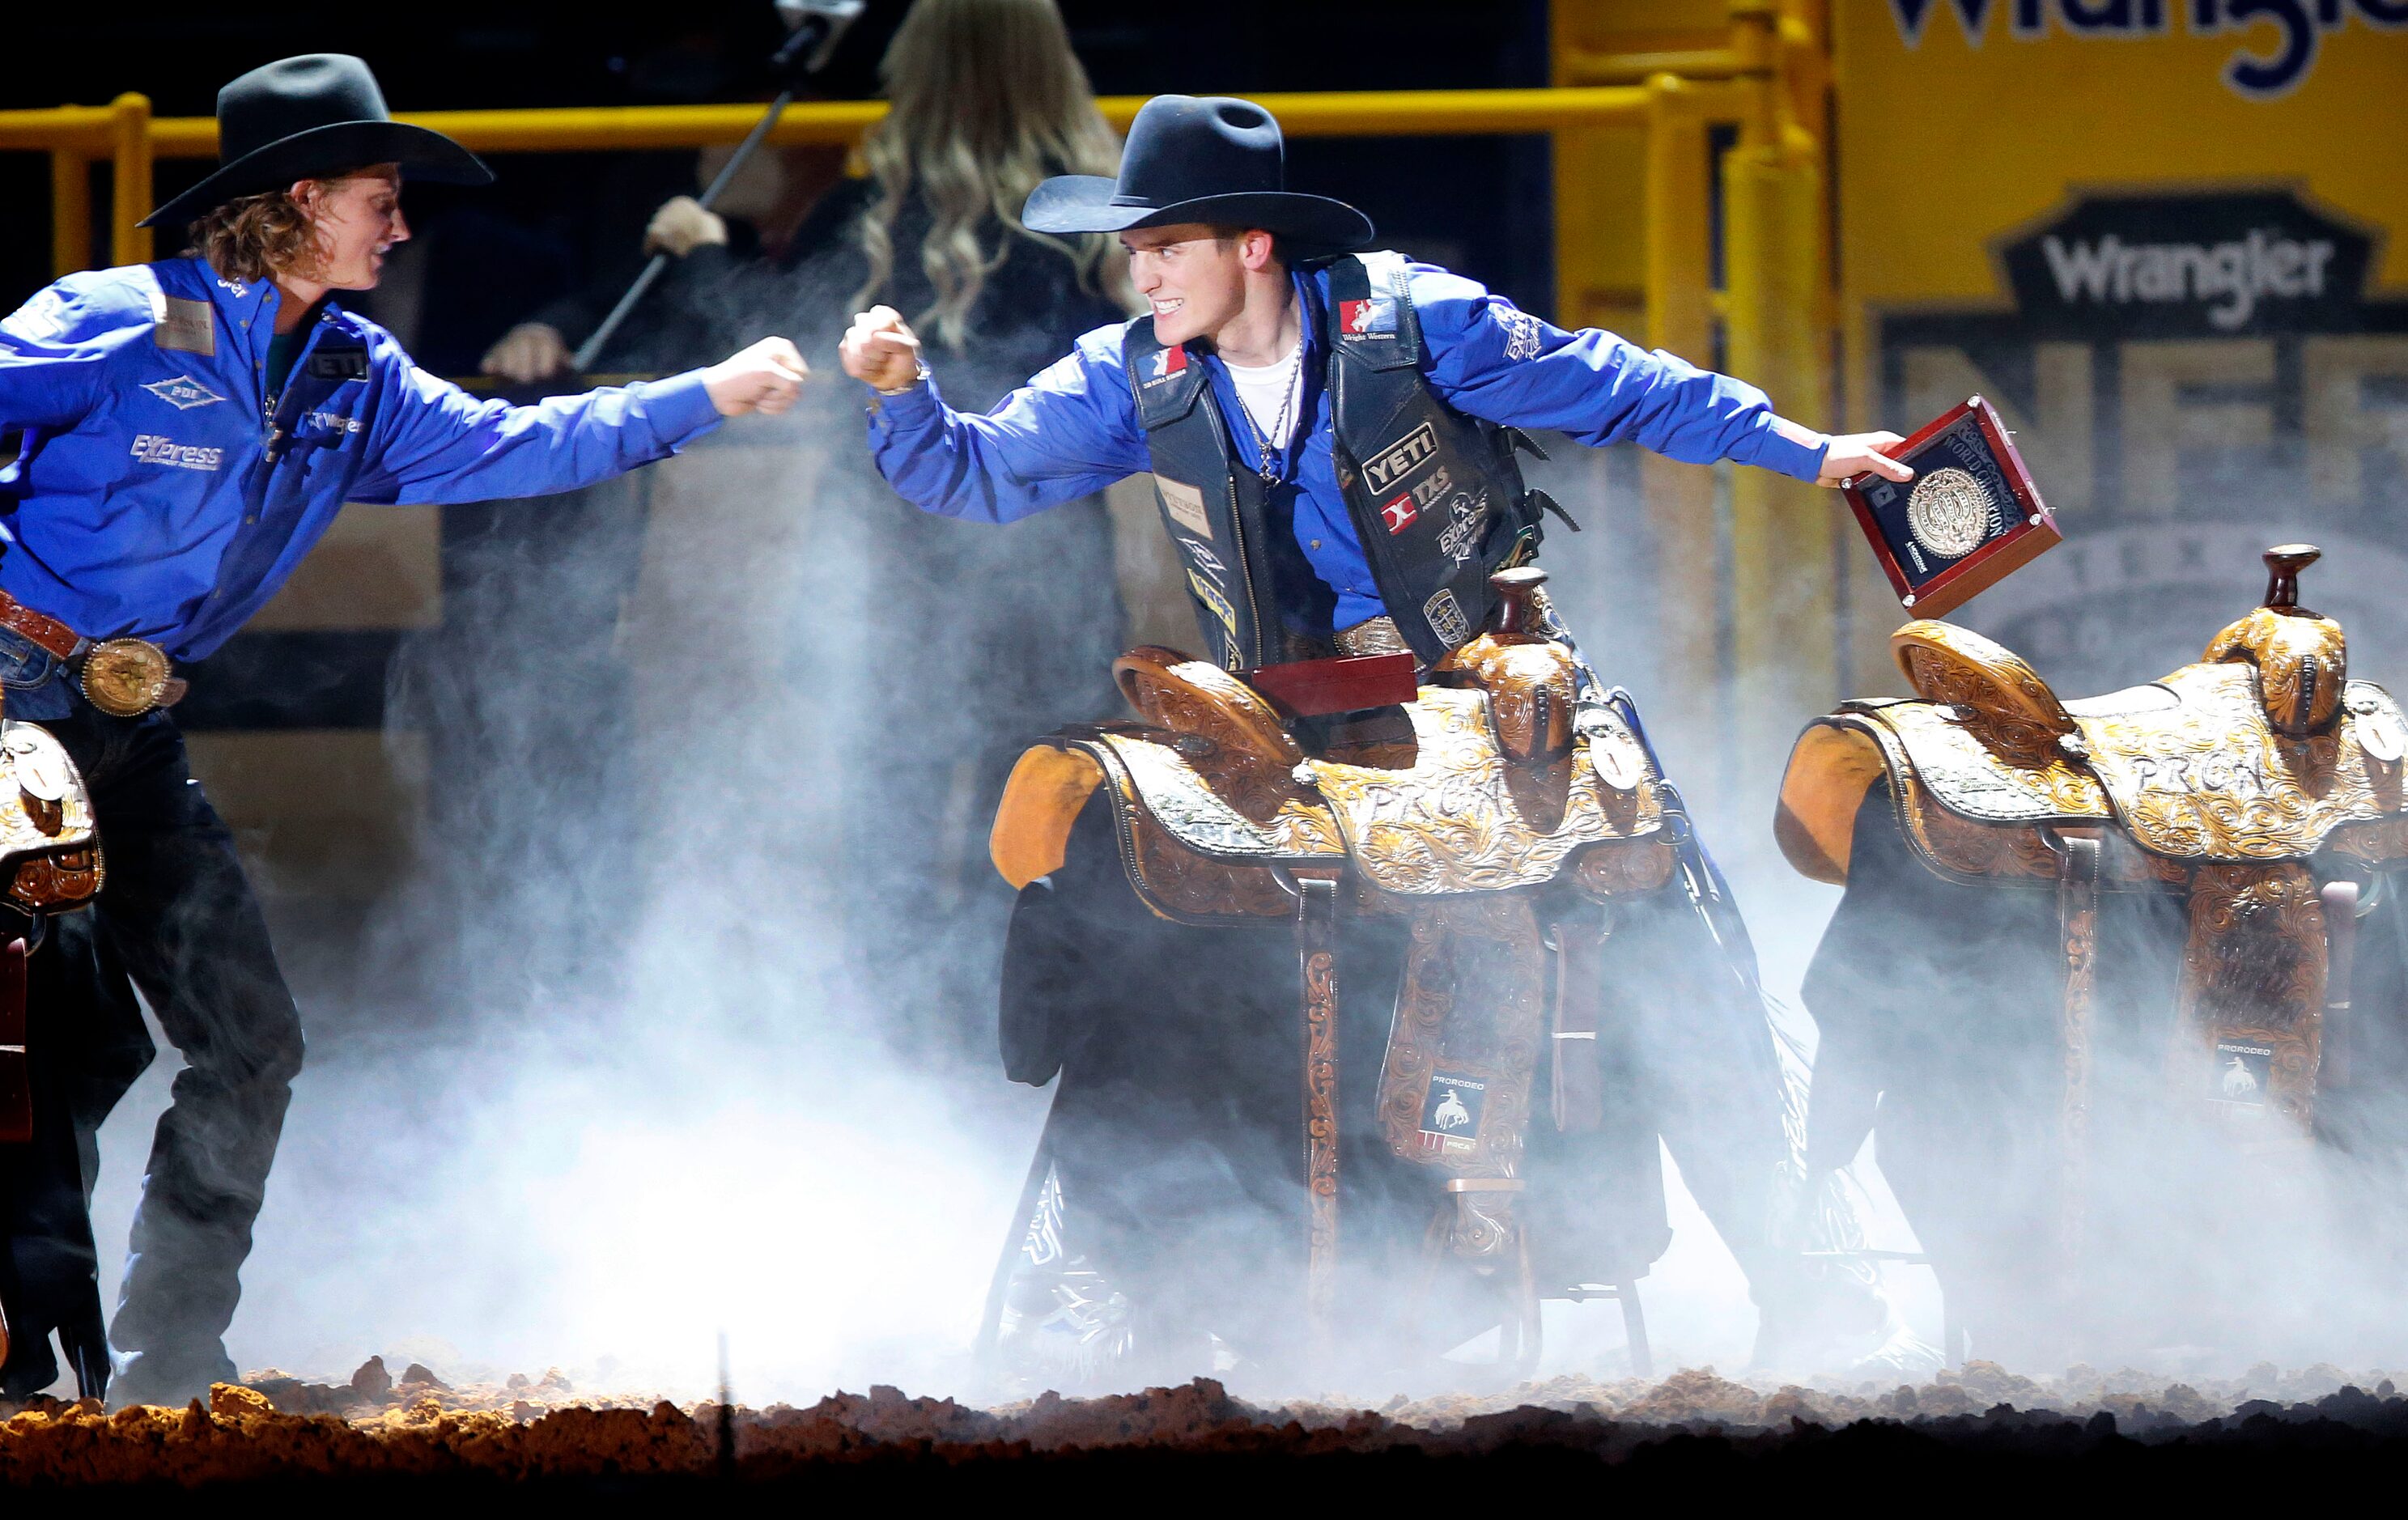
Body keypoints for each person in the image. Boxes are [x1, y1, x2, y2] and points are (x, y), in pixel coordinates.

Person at [841, 95, 1914, 1377]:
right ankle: (1122, 1272)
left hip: (1473, 692)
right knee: (1133, 905)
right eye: (1133, 251)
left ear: (1251, 248)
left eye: (1163, 246)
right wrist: (904, 396)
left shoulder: (1417, 326)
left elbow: (1618, 387)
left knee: (1652, 910)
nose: (1140, 273)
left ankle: (1793, 1267)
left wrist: (1809, 452)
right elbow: (970, 471)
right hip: (1276, 721)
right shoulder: (1131, 372)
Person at [0, 53, 807, 1406]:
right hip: (19, 714)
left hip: (134, 738)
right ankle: (31, 1369)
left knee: (250, 1040)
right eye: (380, 196)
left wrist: (703, 395)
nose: (401, 223)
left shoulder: (350, 375)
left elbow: (509, 444)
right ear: (301, 199)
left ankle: (167, 1357)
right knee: (57, 1041)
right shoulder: (118, 321)